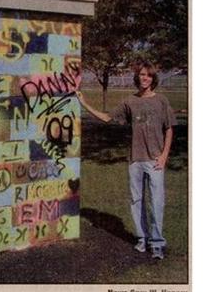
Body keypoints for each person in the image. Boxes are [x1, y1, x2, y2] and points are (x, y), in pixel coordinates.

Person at [76, 61, 177, 260]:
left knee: (156, 202)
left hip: (155, 160)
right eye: (141, 74)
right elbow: (106, 118)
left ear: (153, 78)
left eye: (148, 75)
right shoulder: (129, 102)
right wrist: (83, 102)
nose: (144, 78)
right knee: (136, 201)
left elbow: (170, 128)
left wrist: (164, 156)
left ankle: (157, 244)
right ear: (137, 77)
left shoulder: (162, 101)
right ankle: (142, 238)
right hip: (135, 160)